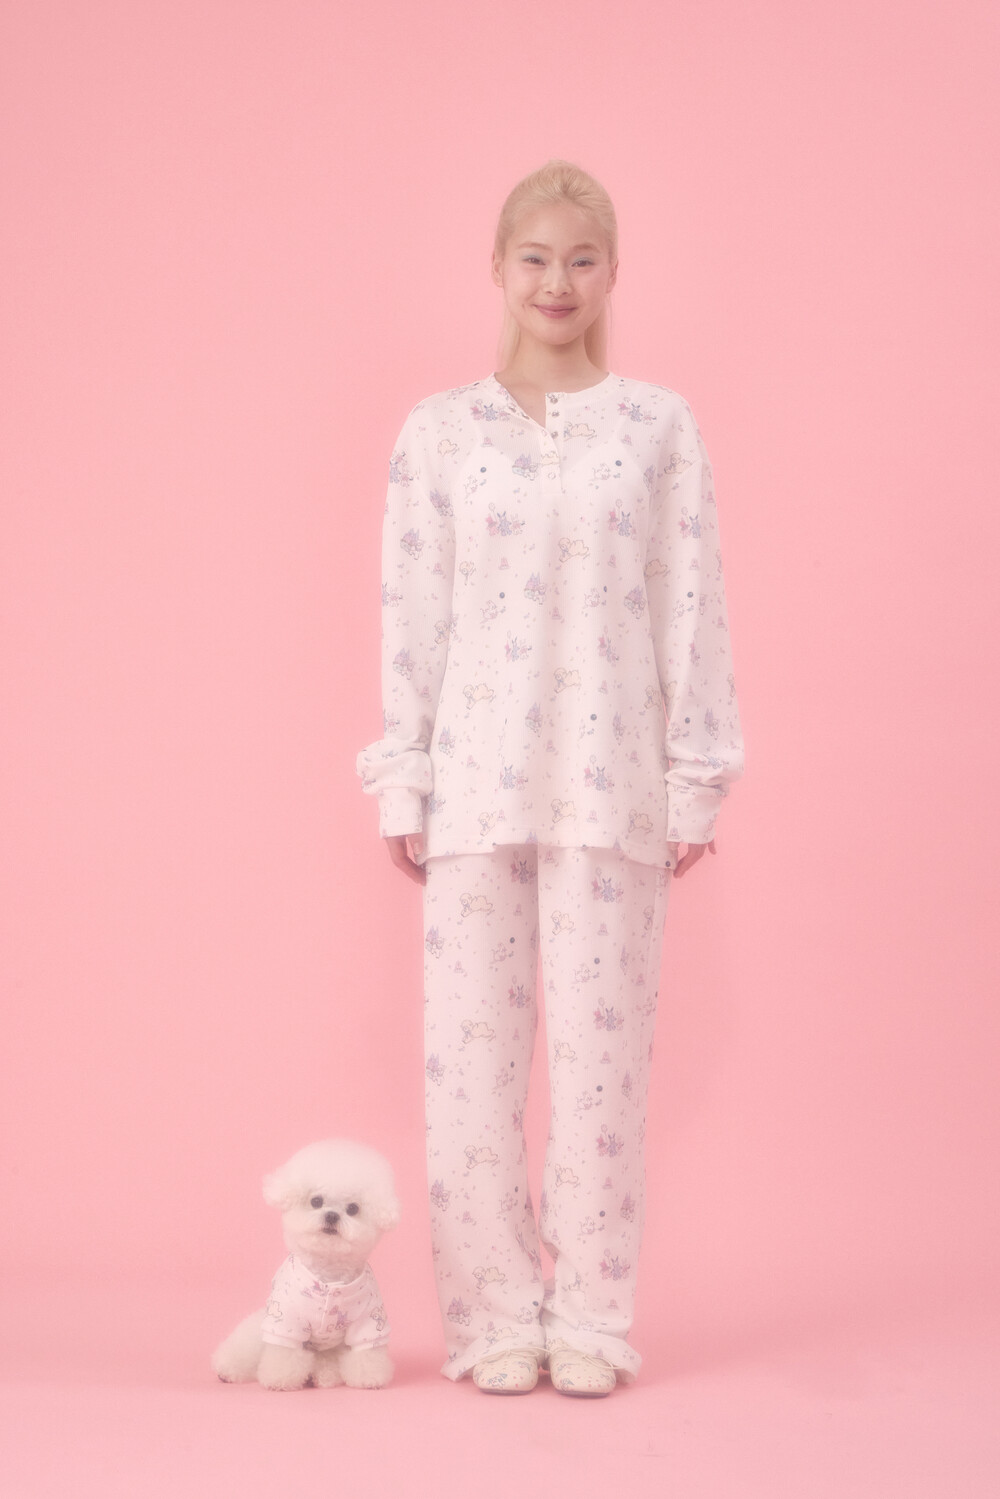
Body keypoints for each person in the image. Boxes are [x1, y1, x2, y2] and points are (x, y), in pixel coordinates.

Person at [356, 158, 745, 1396]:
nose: (557, 281)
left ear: (613, 270)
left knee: (600, 1072)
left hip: (609, 782)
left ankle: (589, 1317)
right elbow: (412, 609)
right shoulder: (440, 431)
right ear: (498, 268)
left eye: (581, 258)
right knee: (469, 1074)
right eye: (535, 257)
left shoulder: (657, 427)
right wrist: (404, 775)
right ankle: (490, 1318)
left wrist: (693, 774)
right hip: (477, 783)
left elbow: (690, 602)